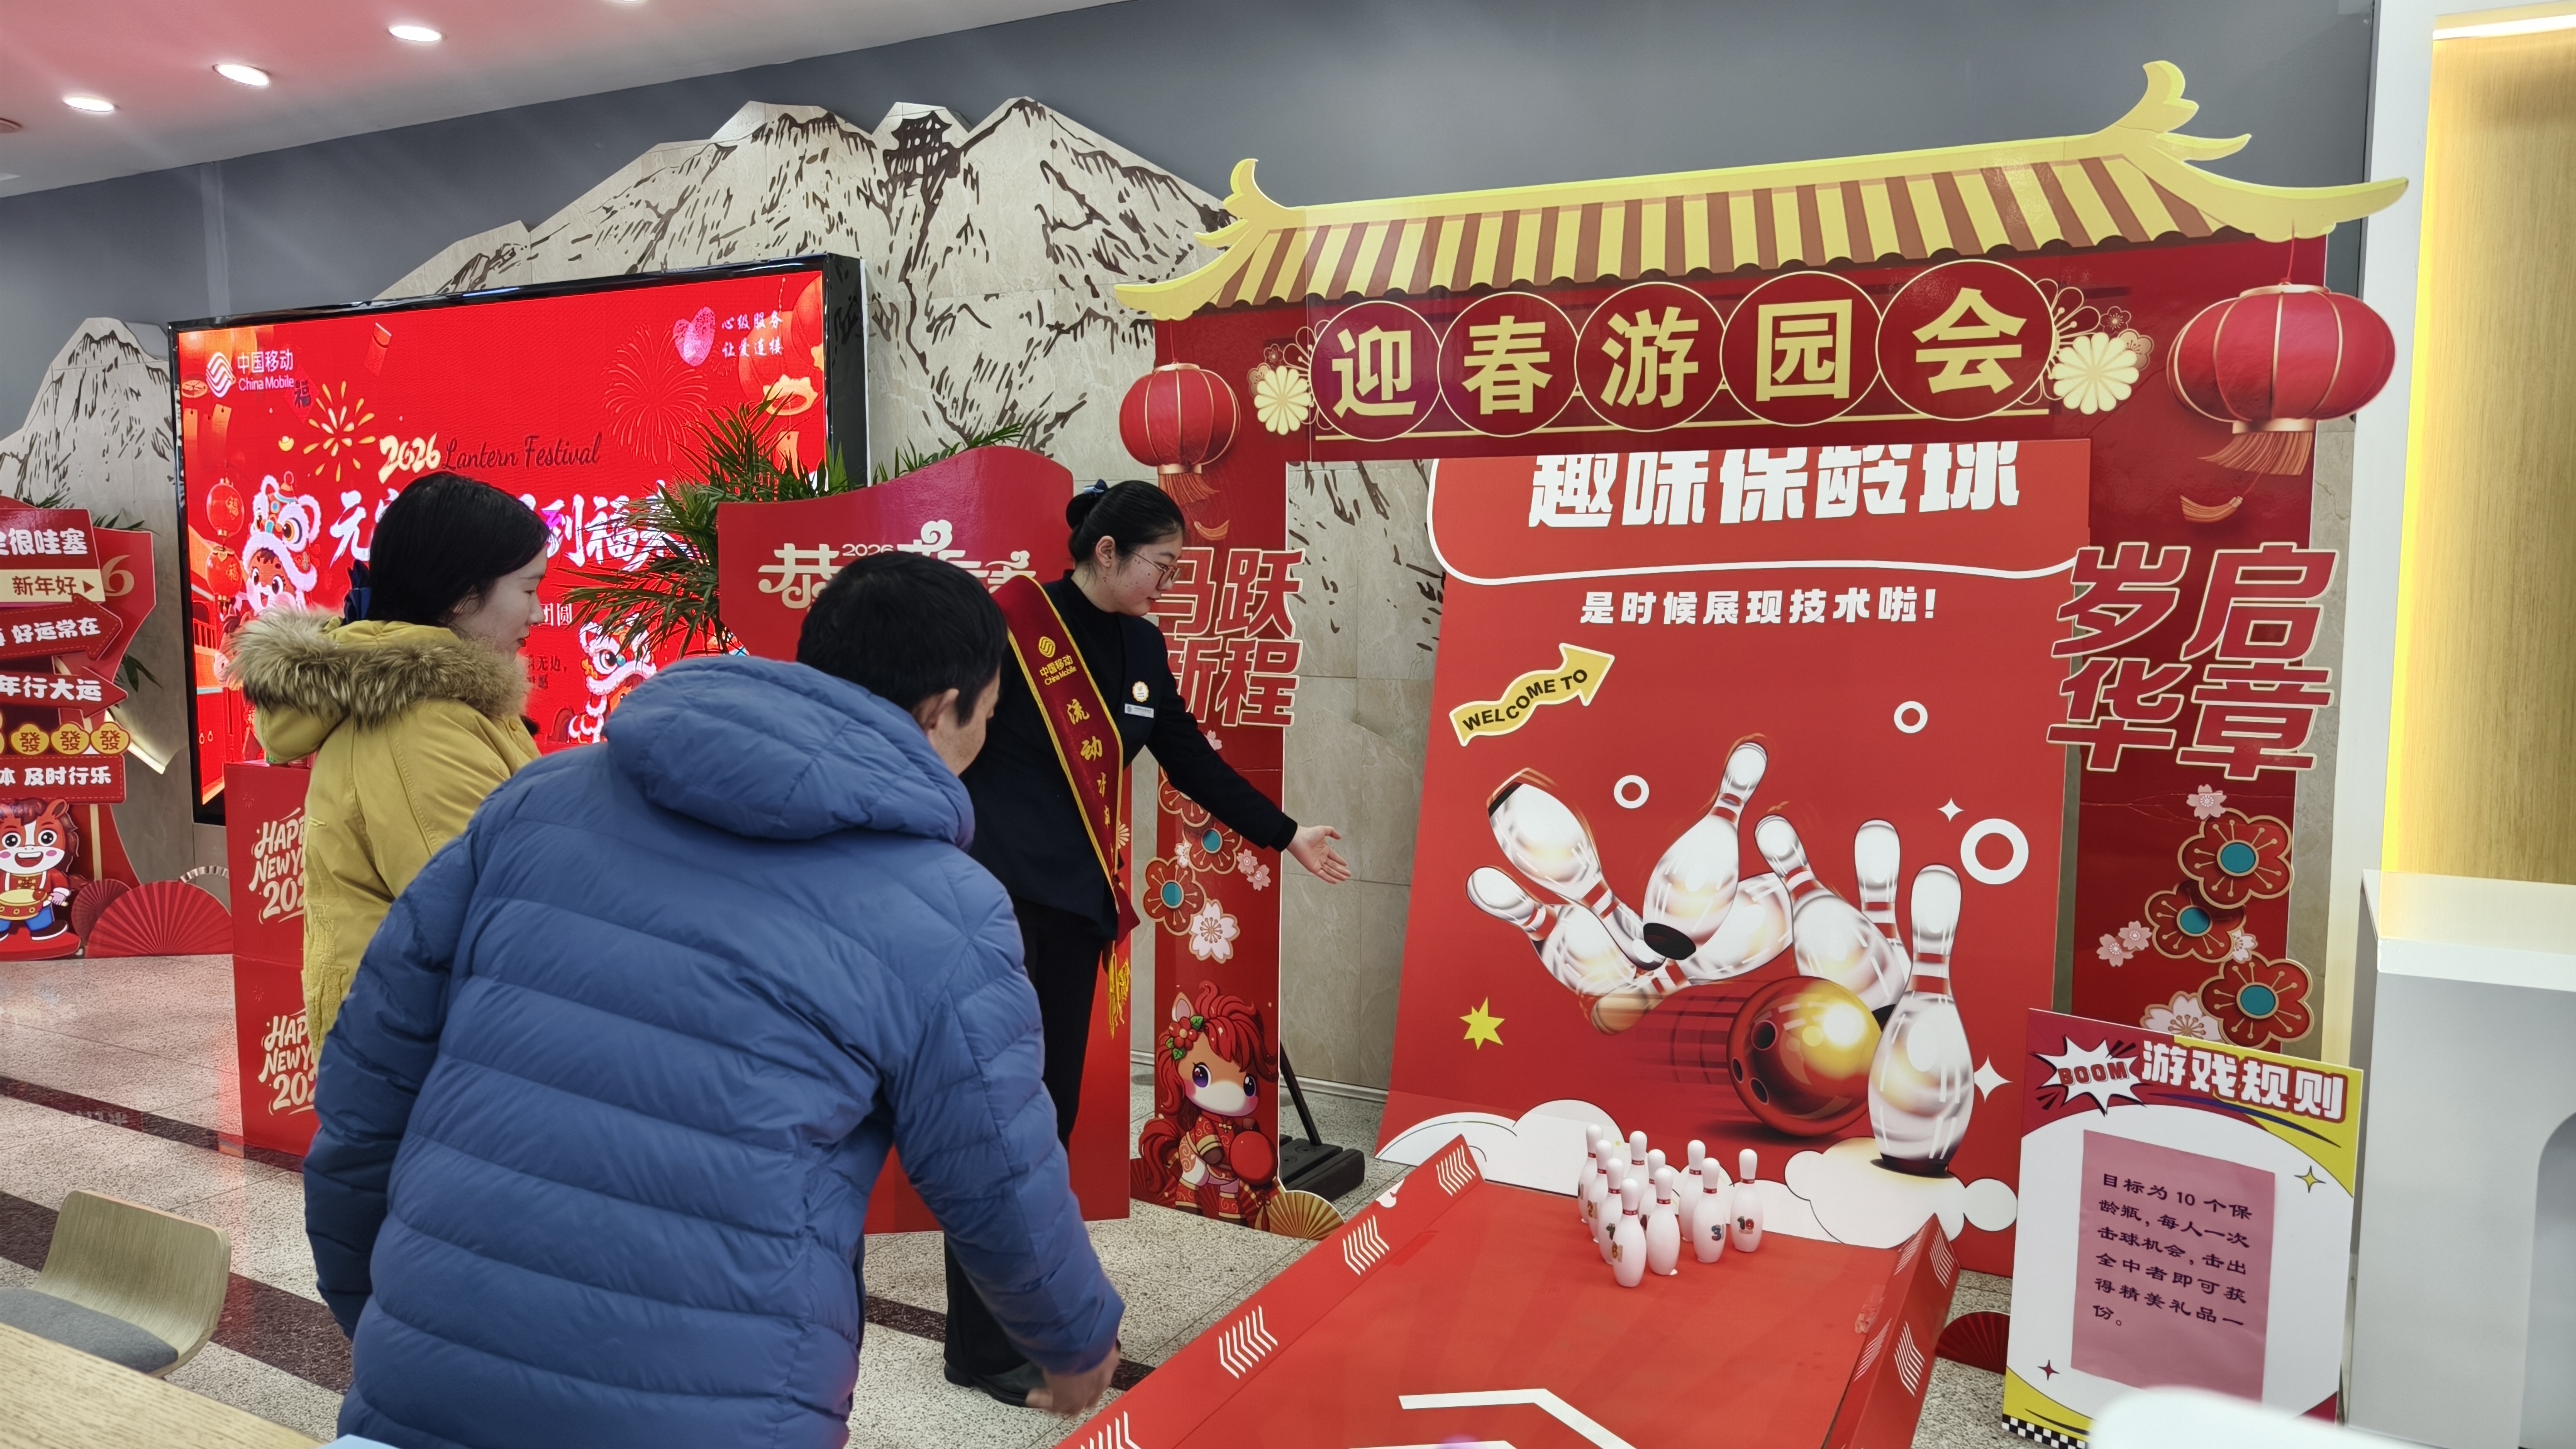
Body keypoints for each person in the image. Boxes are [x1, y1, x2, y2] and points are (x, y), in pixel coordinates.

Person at [301, 551, 1123, 1449]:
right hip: (715, 1409)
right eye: (988, 718)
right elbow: (996, 1167)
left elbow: (371, 1077)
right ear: (942, 710)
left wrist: (379, 1306)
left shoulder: (537, 801)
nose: (981, 745)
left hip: (426, 1388)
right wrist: (1073, 1340)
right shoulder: (946, 909)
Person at [945, 479, 1351, 1404]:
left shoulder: (1140, 644)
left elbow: (1188, 756)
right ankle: (978, 1348)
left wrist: (1287, 832)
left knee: (1043, 1124)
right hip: (995, 911)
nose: (1168, 584)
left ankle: (1019, 1318)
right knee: (1001, 1125)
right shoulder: (1009, 624)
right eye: (1161, 567)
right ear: (1107, 552)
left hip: (1073, 913)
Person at [228, 471, 548, 1044]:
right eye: (528, 590)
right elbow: (479, 918)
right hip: (420, 1045)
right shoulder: (419, 725)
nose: (540, 614)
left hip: (419, 1031)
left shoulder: (445, 701)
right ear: (460, 595)